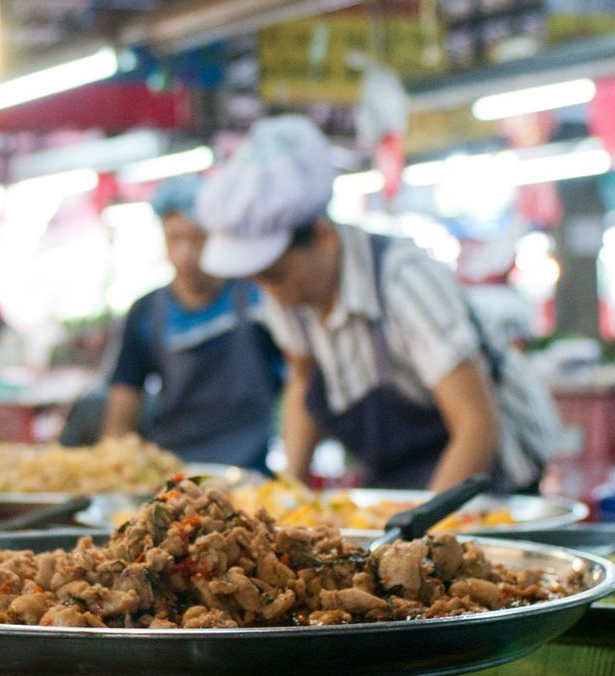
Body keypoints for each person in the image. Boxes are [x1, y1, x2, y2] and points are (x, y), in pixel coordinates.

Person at [195, 115, 558, 492]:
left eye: (276, 275)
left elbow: (476, 425)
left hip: (490, 475)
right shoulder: (290, 295)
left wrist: (418, 541)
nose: (271, 293)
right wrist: (288, 495)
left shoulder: (404, 281)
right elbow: (302, 381)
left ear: (323, 237)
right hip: (400, 478)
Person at [99, 175, 282, 469]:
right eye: (174, 238)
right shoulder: (145, 312)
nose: (185, 253)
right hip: (174, 473)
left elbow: (300, 380)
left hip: (249, 472)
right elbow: (123, 406)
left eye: (197, 238)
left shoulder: (257, 300)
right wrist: (115, 472)